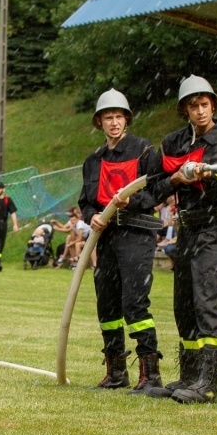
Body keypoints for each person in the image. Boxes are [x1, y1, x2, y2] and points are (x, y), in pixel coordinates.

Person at [146, 75, 217, 404]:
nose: (200, 111)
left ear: (213, 106)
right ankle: (189, 375)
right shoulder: (173, 143)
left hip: (215, 229)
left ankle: (208, 382)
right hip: (186, 230)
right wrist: (175, 178)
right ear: (184, 110)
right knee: (184, 306)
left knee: (207, 304)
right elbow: (157, 188)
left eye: (205, 104)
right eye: (194, 105)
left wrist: (212, 178)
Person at [78, 88, 164, 393]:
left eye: (118, 117)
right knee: (108, 304)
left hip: (136, 233)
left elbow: (157, 192)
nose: (114, 122)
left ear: (126, 120)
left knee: (134, 303)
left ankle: (150, 374)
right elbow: (86, 202)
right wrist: (92, 217)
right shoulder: (93, 160)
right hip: (106, 236)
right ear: (99, 122)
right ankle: (115, 371)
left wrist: (132, 201)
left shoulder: (144, 151)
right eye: (108, 117)